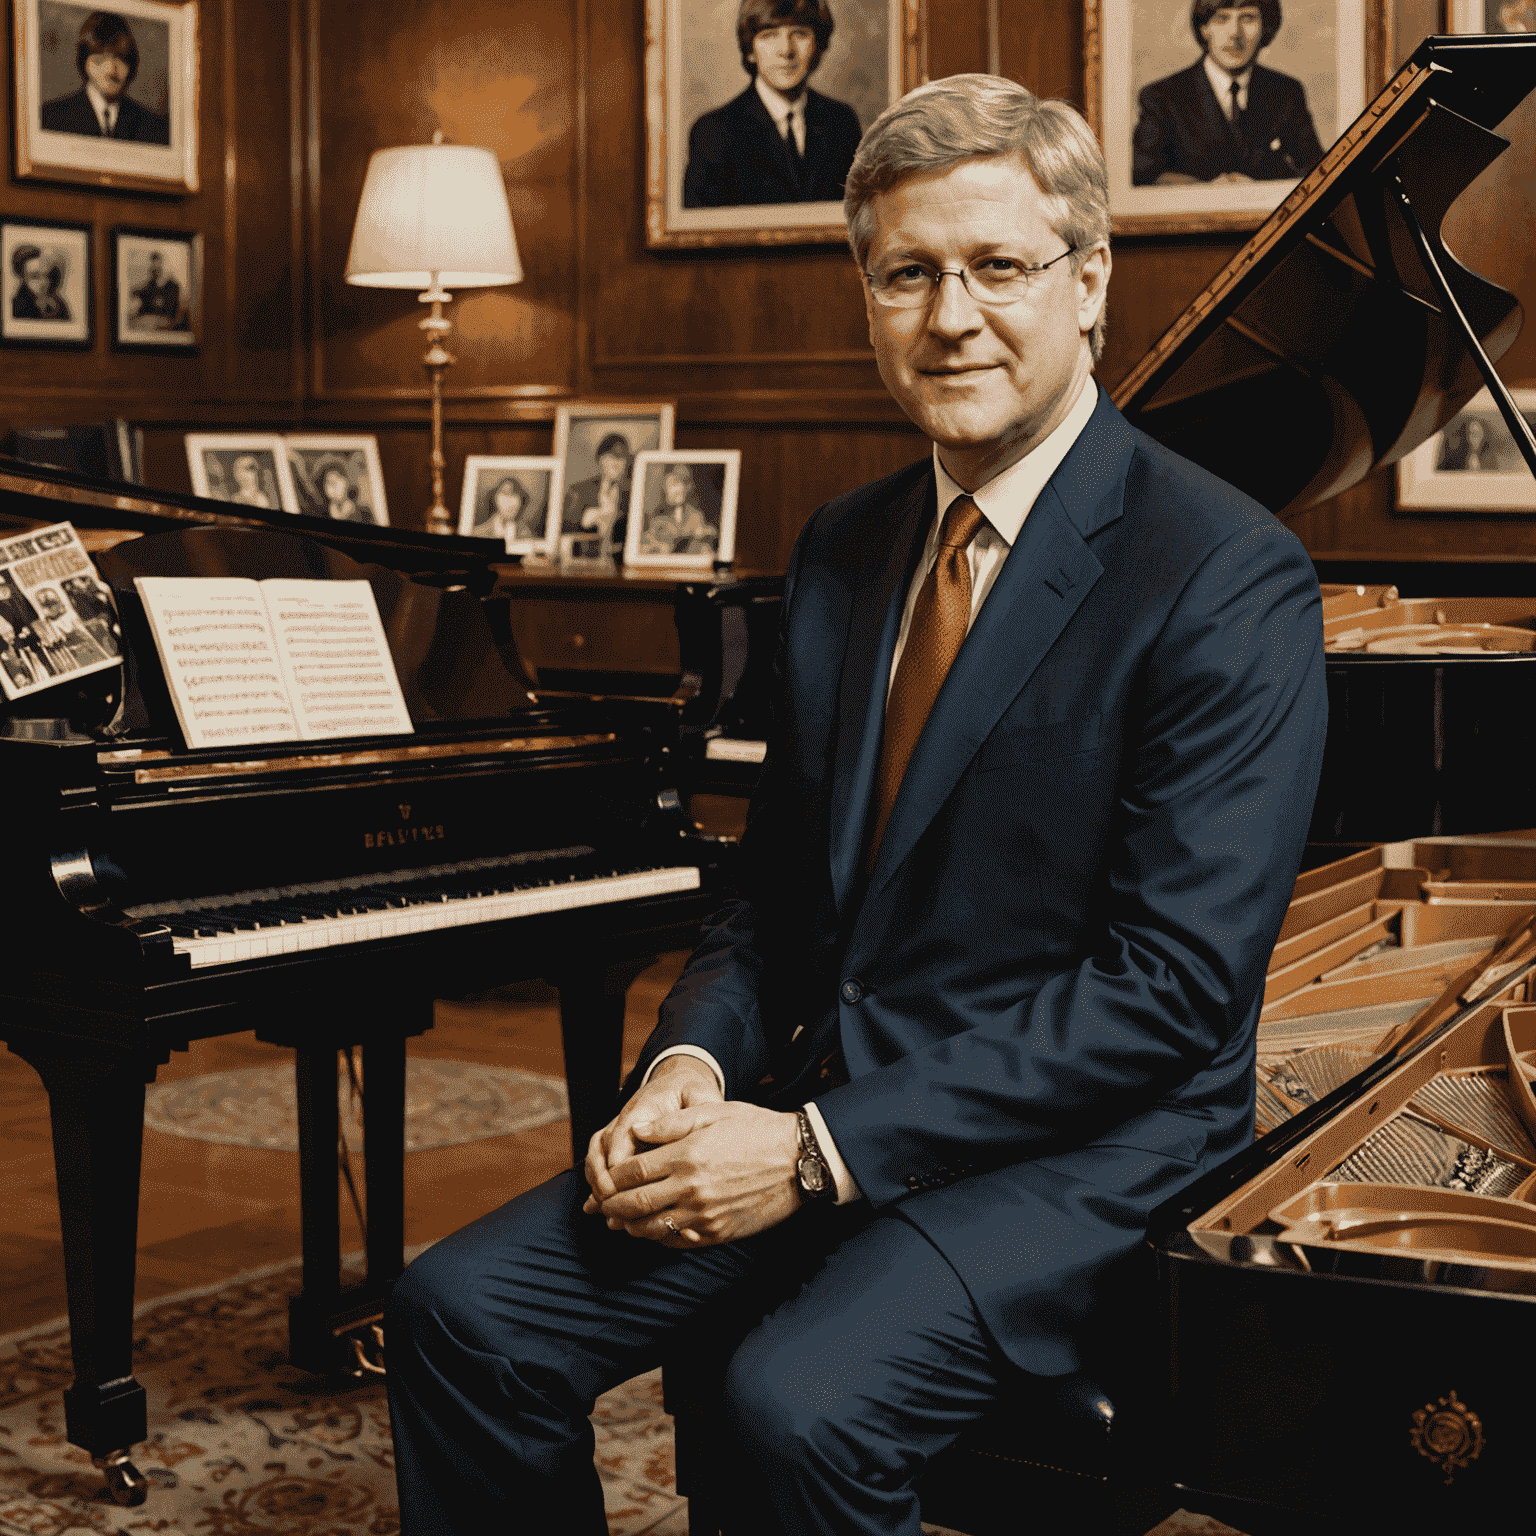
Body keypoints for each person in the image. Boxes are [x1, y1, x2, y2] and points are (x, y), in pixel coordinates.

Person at [386, 73, 1327, 1534]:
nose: (951, 316)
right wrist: (688, 1073)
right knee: (459, 1315)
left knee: (789, 1404)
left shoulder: (1224, 574)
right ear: (866, 297)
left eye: (998, 267)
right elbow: (769, 903)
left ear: (1090, 287)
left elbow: (1170, 993)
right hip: (816, 1097)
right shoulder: (841, 547)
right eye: (908, 274)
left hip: (1085, 1149)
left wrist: (814, 1152)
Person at [683, 0, 863, 208]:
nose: (786, 51)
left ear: (819, 46)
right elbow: (701, 233)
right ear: (750, 50)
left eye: (800, 34)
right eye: (769, 35)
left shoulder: (841, 122)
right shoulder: (715, 132)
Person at [1132, 0, 1324, 186]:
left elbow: (1317, 172)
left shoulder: (1286, 91)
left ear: (1266, 27)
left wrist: (1260, 189)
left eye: (1247, 18)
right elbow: (1143, 175)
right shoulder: (1162, 96)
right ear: (1204, 28)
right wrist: (1207, 191)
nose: (1234, 33)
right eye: (1222, 18)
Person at [40, 11, 170, 145]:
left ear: (132, 64)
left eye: (121, 59)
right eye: (100, 59)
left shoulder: (156, 128)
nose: (111, 70)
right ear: (85, 62)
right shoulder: (50, 117)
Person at [560, 432, 634, 557]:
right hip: (584, 561)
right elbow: (566, 534)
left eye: (621, 459)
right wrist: (588, 519)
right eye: (611, 457)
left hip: (618, 561)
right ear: (599, 460)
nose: (616, 464)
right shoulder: (578, 491)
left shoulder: (631, 495)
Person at [61, 573, 120, 657]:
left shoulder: (91, 591)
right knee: (107, 633)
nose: (76, 583)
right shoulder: (77, 594)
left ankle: (117, 648)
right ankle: (116, 649)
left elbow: (100, 603)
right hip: (96, 616)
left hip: (102, 615)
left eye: (77, 581)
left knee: (111, 631)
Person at [10, 245, 70, 321]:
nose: (44, 282)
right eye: (34, 276)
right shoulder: (19, 306)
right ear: (23, 277)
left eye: (46, 275)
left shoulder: (57, 303)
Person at [130, 251, 184, 329]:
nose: (154, 266)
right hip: (152, 317)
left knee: (144, 324)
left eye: (157, 262)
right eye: (153, 262)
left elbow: (170, 310)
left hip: (164, 319)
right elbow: (143, 293)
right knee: (133, 322)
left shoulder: (171, 285)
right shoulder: (152, 283)